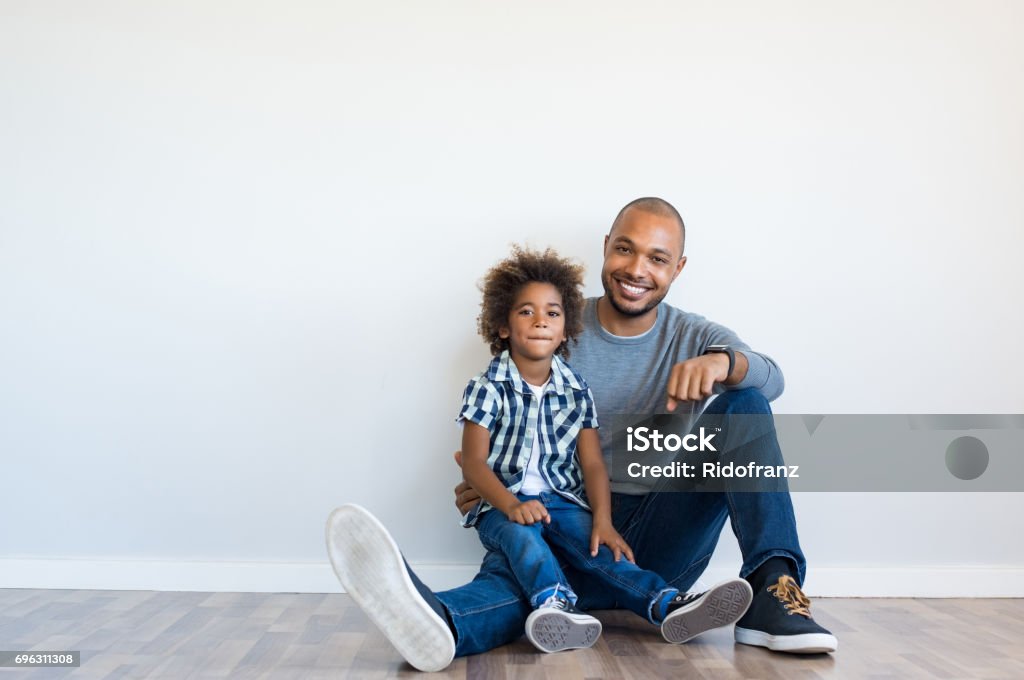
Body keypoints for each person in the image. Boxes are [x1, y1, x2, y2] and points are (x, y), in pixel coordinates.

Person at [326, 197, 837, 673]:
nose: (637, 270)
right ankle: (436, 618)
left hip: (659, 535)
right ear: (606, 247)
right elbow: (502, 434)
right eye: (625, 249)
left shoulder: (694, 335)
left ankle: (773, 589)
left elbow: (773, 379)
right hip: (561, 519)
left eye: (658, 259)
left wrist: (726, 363)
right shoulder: (552, 322)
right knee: (530, 589)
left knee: (743, 403)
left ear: (677, 269)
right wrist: (492, 489)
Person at [454, 246, 752, 654]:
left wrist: (604, 521)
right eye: (526, 312)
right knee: (524, 543)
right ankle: (554, 605)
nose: (540, 320)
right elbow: (472, 462)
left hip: (562, 502)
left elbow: (592, 462)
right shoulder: (486, 389)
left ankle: (666, 604)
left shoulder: (576, 390)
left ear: (566, 330)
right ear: (502, 325)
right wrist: (508, 504)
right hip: (501, 507)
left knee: (603, 550)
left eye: (552, 314)